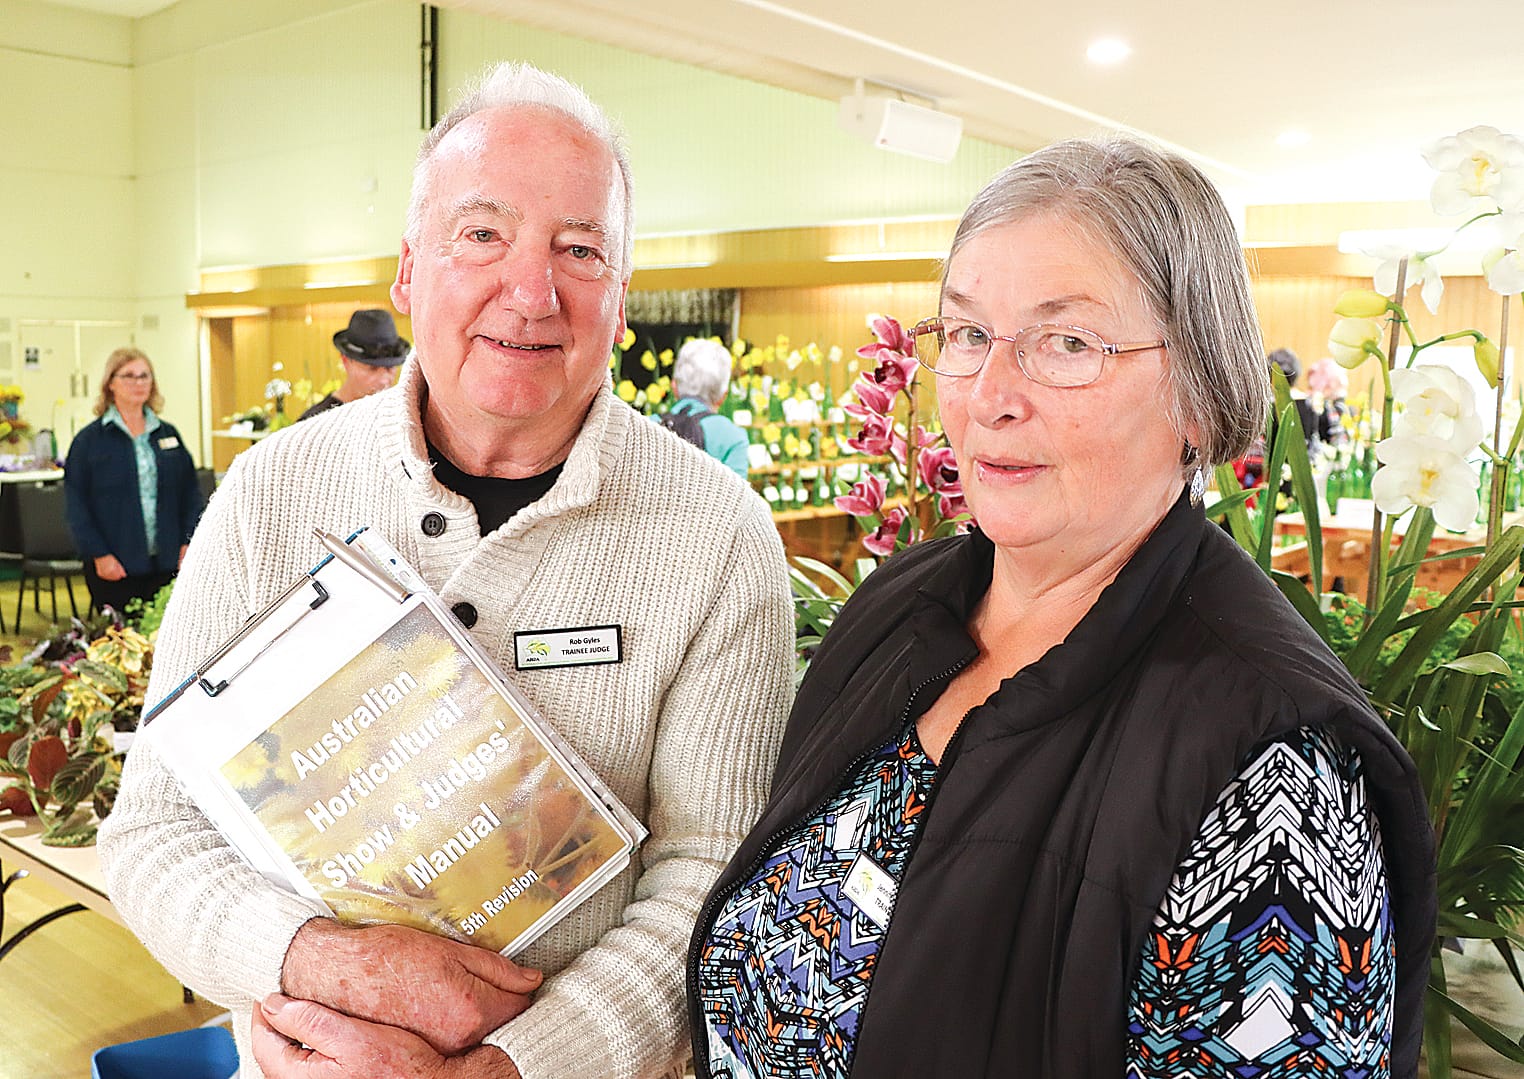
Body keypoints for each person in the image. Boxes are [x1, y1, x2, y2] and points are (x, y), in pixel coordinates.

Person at [98, 62, 793, 1079]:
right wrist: (319, 964)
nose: (532, 291)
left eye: (580, 249)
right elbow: (155, 831)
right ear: (407, 273)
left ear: (621, 300)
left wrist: (506, 1067)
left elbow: (713, 879)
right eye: (482, 234)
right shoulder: (272, 492)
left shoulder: (718, 537)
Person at [689, 137, 1436, 1079]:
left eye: (1068, 343)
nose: (991, 397)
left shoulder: (1273, 779)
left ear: (1199, 396)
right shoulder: (899, 605)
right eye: (968, 334)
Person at [64, 347, 204, 615]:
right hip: (115, 564)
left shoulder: (167, 434)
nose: (138, 383)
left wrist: (189, 542)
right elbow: (76, 506)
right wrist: (99, 554)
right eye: (129, 376)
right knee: (122, 636)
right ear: (111, 383)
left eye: (144, 376)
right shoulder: (89, 441)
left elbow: (191, 494)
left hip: (169, 562)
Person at [297, 309, 409, 421]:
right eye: (372, 368)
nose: (383, 380)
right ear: (345, 361)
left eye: (389, 368)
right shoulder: (316, 422)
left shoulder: (400, 418)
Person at [662, 338, 749, 478]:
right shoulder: (733, 437)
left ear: (674, 387)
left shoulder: (645, 425)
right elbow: (738, 491)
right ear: (723, 396)